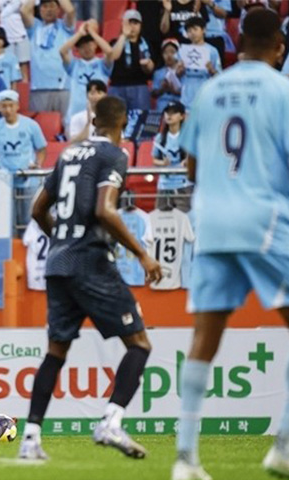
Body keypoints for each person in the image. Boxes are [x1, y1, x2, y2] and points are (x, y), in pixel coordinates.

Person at [172, 9, 289, 480]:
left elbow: (191, 166)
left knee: (205, 338)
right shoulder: (282, 90)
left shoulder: (210, 89)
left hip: (213, 222)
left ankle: (185, 459)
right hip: (264, 217)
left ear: (238, 44)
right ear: (279, 47)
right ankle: (283, 448)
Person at [18, 95, 162, 461]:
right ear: (123, 124)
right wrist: (142, 254)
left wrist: (61, 240)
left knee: (55, 352)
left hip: (58, 264)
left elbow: (38, 209)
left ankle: (30, 439)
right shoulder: (114, 154)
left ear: (93, 121)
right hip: (91, 262)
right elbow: (105, 210)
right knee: (140, 344)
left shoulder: (68, 153)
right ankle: (111, 422)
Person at [0, 89, 46, 230]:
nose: (8, 110)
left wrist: (38, 164)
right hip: (5, 179)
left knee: (28, 219)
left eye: (11, 106)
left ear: (17, 106)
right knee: (7, 220)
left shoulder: (31, 125)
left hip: (27, 178)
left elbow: (41, 149)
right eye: (4, 106)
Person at [20, 0, 76, 116]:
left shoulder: (65, 26)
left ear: (58, 9)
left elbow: (70, 10)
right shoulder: (35, 27)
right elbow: (24, 11)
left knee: (66, 124)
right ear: (39, 9)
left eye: (52, 6)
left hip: (63, 87)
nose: (48, 10)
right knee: (42, 123)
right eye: (45, 6)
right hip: (38, 88)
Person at [60, 19, 113, 126]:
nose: (86, 48)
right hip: (75, 115)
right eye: (82, 46)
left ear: (95, 45)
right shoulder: (74, 65)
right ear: (78, 49)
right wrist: (80, 33)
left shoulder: (102, 64)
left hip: (98, 115)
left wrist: (93, 33)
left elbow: (109, 52)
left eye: (89, 44)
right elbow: (62, 51)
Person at [108, 9, 154, 112]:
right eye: (129, 23)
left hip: (140, 86)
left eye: (135, 23)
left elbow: (151, 69)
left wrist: (147, 65)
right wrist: (123, 35)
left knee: (141, 118)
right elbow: (113, 56)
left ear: (140, 25)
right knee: (115, 117)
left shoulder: (146, 44)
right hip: (117, 86)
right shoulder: (115, 42)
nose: (132, 26)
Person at [152, 101, 192, 212]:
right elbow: (154, 159)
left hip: (183, 184)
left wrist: (187, 161)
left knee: (183, 217)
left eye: (174, 113)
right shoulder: (160, 138)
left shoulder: (188, 136)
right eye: (167, 113)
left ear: (182, 116)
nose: (169, 115)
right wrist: (163, 163)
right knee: (160, 217)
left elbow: (193, 156)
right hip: (164, 185)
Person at [176, 17, 221, 108]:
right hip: (186, 96)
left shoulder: (212, 51)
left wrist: (211, 70)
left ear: (203, 30)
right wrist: (179, 71)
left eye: (195, 29)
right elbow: (177, 76)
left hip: (205, 94)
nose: (192, 33)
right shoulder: (182, 51)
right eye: (189, 31)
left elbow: (219, 75)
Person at [0, 0, 32, 81]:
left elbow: (28, 13)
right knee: (8, 64)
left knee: (23, 65)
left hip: (21, 34)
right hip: (5, 36)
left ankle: (24, 86)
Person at [151, 38, 182, 113]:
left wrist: (174, 90)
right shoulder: (158, 72)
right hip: (163, 105)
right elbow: (154, 94)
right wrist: (162, 89)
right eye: (165, 52)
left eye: (172, 52)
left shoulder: (183, 72)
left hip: (179, 104)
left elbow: (187, 93)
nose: (169, 55)